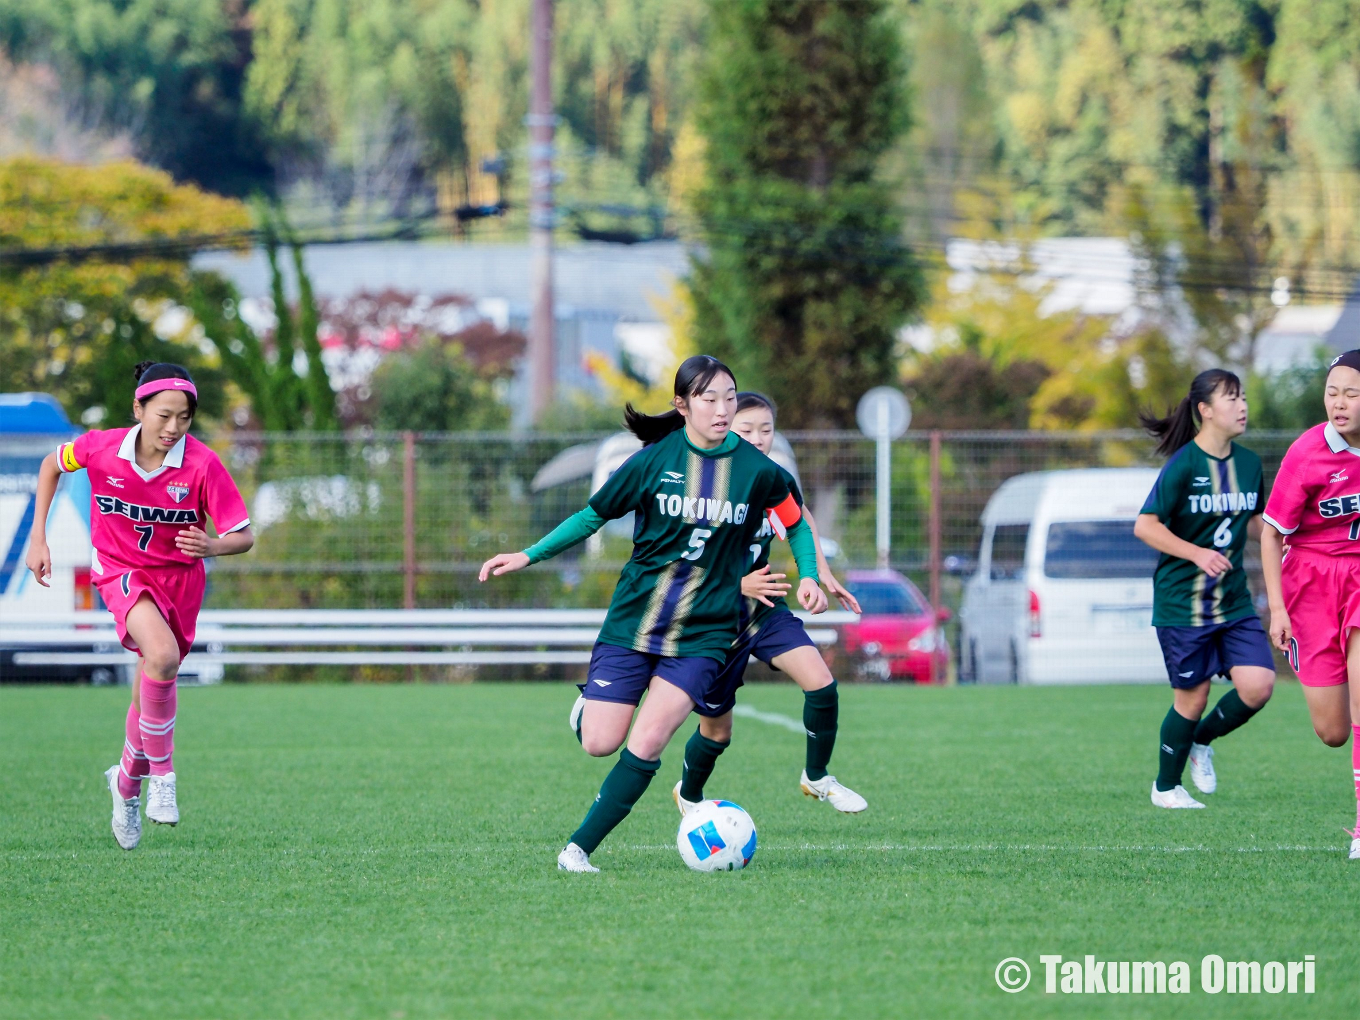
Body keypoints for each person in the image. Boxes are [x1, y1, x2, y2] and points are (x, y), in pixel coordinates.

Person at [478, 356, 825, 872]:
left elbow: (795, 521)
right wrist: (528, 555)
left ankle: (577, 851)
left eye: (730, 396)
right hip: (635, 623)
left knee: (650, 739)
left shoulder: (758, 472)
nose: (722, 408)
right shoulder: (650, 462)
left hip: (705, 634)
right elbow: (591, 516)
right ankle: (587, 711)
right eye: (708, 399)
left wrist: (811, 573)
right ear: (682, 406)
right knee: (600, 742)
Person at [25, 362, 253, 850]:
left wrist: (212, 546)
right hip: (120, 570)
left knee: (150, 685)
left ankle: (126, 783)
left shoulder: (203, 464)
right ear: (139, 409)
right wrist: (37, 537)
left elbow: (243, 536)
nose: (173, 428)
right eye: (164, 415)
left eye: (185, 418)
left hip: (181, 583)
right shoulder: (100, 447)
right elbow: (50, 465)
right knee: (164, 657)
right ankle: (164, 779)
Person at [672, 391, 868, 815]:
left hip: (763, 608)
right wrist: (733, 582)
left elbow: (801, 516)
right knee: (717, 731)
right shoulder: (702, 483)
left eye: (766, 430)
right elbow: (677, 557)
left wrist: (816, 574)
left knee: (821, 682)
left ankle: (816, 777)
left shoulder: (771, 477)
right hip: (713, 617)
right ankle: (688, 794)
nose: (758, 438)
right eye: (747, 429)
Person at [1134, 369, 1273, 809]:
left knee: (1259, 686)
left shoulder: (1249, 464)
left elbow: (1253, 522)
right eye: (1231, 399)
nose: (1242, 406)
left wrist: (1286, 533)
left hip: (1233, 600)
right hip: (1183, 604)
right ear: (1205, 411)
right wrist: (1195, 553)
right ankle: (1165, 788)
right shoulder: (1184, 465)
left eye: (1244, 397)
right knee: (1192, 698)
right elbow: (1145, 525)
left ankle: (1201, 742)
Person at [1259, 349, 1360, 859]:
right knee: (1333, 731)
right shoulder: (1307, 453)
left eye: (1352, 394)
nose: (1339, 403)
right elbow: (1271, 532)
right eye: (1333, 392)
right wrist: (1278, 608)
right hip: (1312, 585)